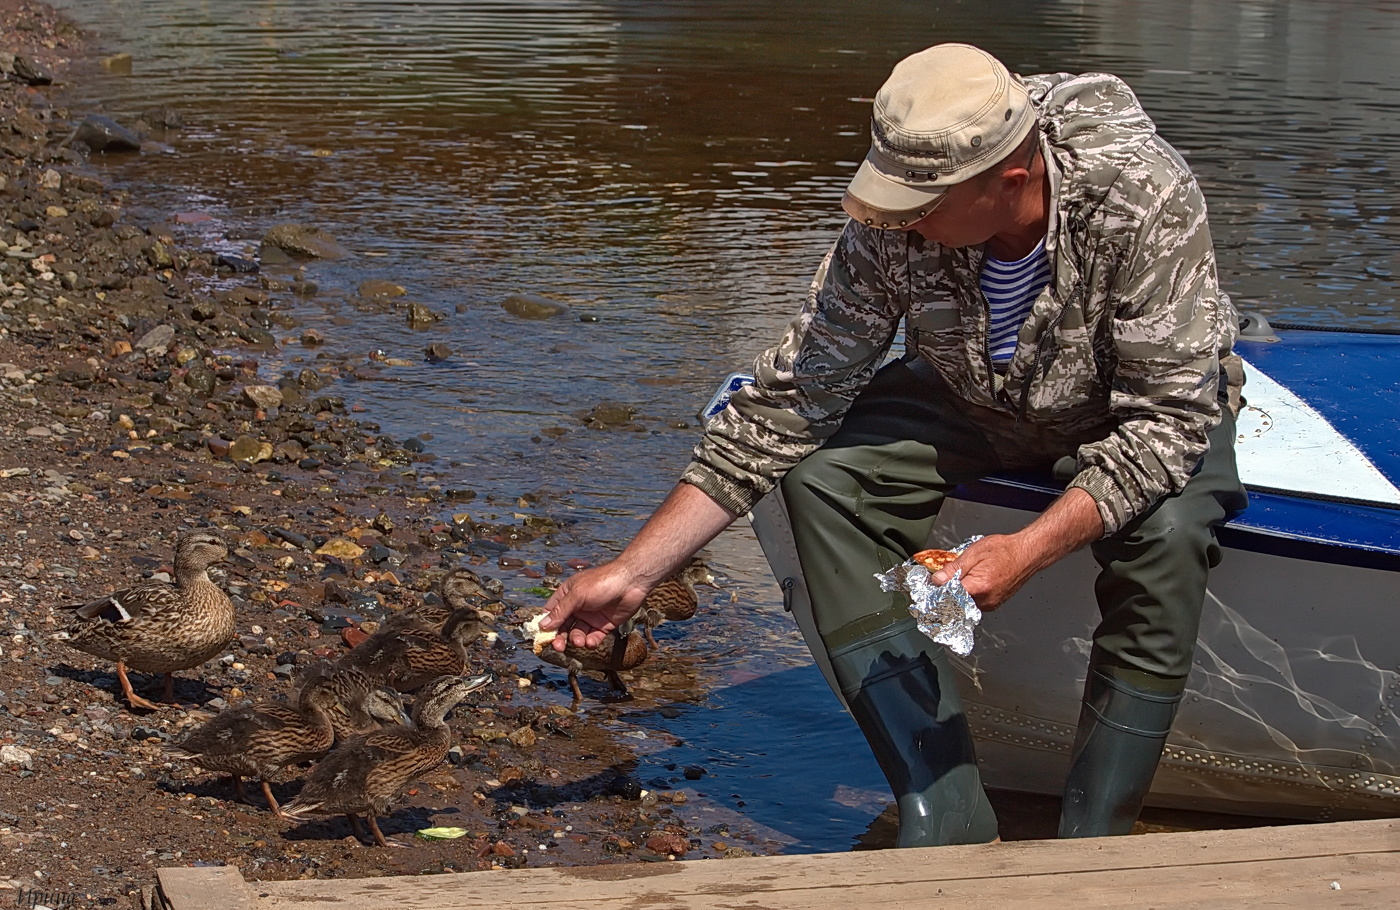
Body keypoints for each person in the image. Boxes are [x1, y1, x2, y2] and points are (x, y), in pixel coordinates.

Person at [541, 42, 1247, 845]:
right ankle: (943, 808)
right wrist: (634, 572)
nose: (891, 219)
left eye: (918, 206)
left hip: (1125, 410)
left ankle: (1097, 833)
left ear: (1009, 181)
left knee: (1167, 531)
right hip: (970, 395)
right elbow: (794, 397)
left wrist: (1031, 549)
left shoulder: (1143, 197)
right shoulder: (901, 211)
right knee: (818, 480)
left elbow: (1168, 423)